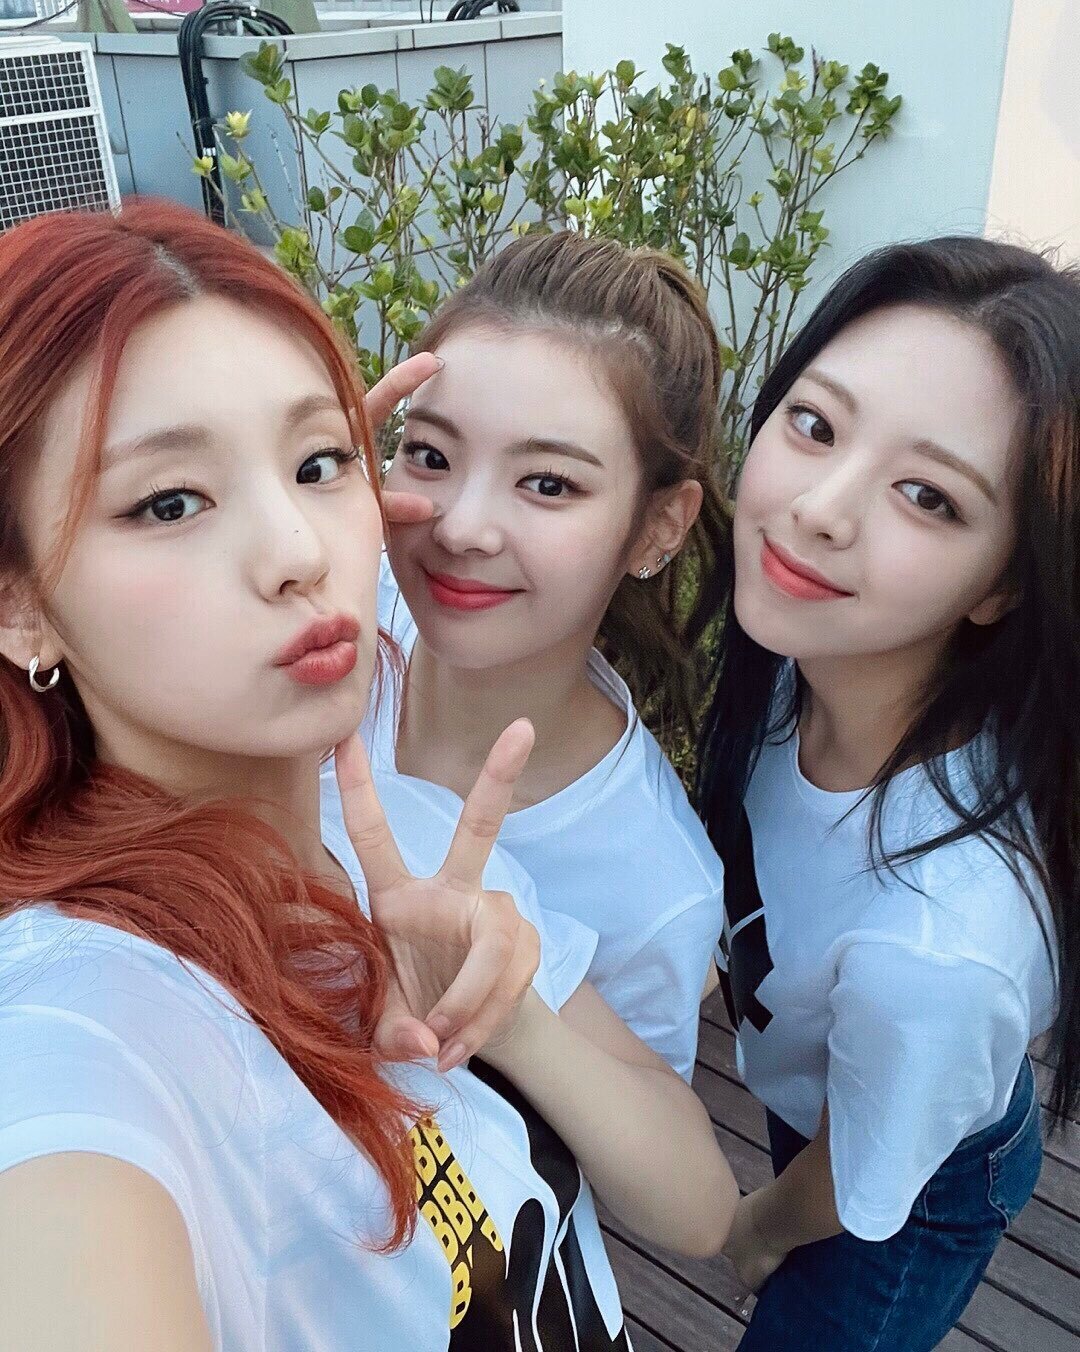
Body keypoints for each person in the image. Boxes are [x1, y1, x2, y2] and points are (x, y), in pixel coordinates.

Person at [0, 200, 739, 1352]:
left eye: (318, 462)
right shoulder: (90, 1013)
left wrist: (508, 1016)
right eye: (170, 500)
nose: (301, 549)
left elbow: (701, 1203)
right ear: (19, 604)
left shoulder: (419, 837)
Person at [696, 236, 1078, 1350]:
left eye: (927, 495)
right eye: (817, 425)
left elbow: (859, 1173)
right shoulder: (805, 659)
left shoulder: (939, 948)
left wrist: (756, 1227)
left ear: (1003, 583)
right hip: (840, 1079)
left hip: (919, 1179)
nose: (821, 506)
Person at [321, 230, 729, 1081]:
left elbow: (620, 1141)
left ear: (659, 526)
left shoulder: (655, 888)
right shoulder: (327, 622)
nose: (463, 527)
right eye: (430, 455)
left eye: (547, 483)